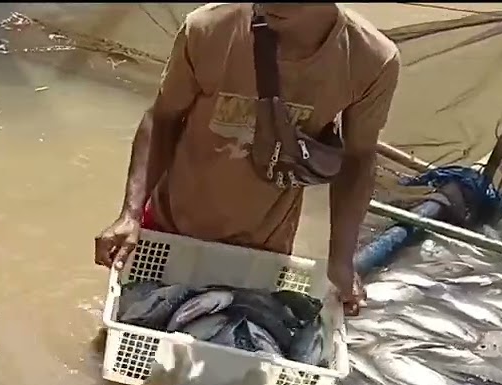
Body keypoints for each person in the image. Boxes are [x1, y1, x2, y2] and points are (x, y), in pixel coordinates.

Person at [94, 3, 400, 316]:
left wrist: (341, 260)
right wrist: (130, 214)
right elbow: (162, 118)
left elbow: (358, 158)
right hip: (169, 227)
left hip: (263, 250)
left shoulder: (371, 59)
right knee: (133, 335)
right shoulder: (209, 28)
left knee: (242, 343)